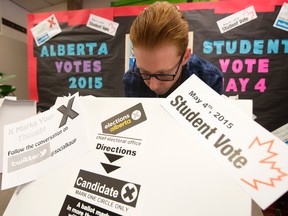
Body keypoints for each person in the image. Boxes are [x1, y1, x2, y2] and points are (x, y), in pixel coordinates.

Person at [123, 1, 223, 97]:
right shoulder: (131, 80)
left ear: (185, 56)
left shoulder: (209, 80)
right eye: (144, 72)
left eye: (163, 74)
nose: (153, 86)